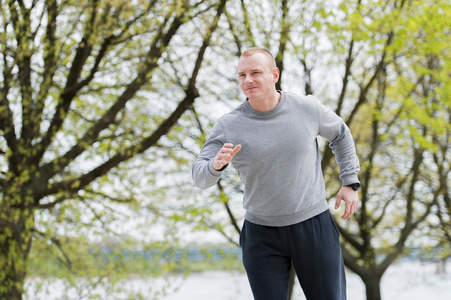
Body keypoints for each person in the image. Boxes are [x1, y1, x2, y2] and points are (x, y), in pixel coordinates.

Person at [192, 47, 360, 300]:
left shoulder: (307, 108)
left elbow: (340, 134)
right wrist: (216, 165)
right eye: (241, 75)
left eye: (255, 72)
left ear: (274, 75)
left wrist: (350, 182)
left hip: (313, 225)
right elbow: (199, 176)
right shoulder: (228, 125)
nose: (247, 80)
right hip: (261, 234)